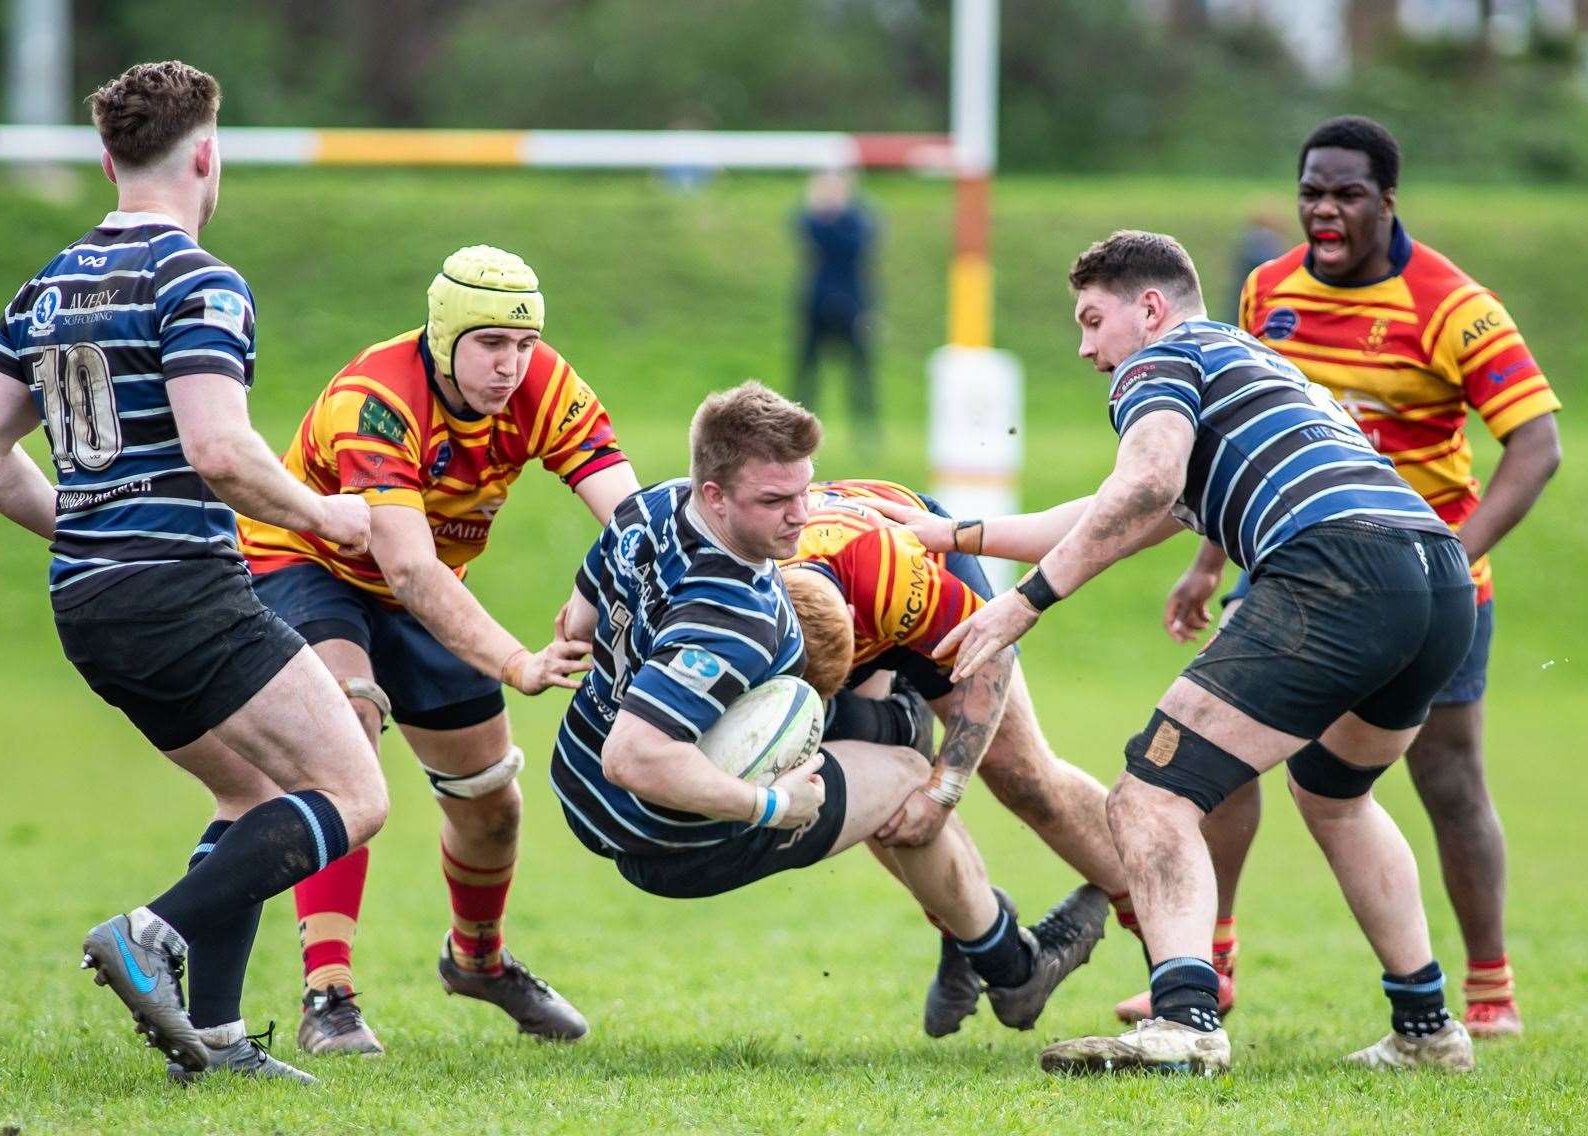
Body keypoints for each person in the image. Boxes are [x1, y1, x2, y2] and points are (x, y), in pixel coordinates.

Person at [906, 230, 1480, 1074]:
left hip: (1338, 571)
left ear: (1149, 307)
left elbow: (1145, 483)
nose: (1086, 347)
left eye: (1093, 320)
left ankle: (1183, 1023)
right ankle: (1429, 1030)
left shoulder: (1160, 361)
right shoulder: (1249, 364)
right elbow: (1124, 511)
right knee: (1335, 795)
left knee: (1150, 797)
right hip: (1435, 577)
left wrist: (1024, 606)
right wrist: (950, 532)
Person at [0, 60, 388, 1084]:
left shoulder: (47, 285)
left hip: (90, 600)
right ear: (206, 153)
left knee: (253, 788)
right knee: (353, 791)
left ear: (108, 159)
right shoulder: (196, 278)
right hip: (183, 589)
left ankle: (219, 1039)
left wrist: (89, 526)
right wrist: (326, 513)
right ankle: (150, 933)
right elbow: (220, 451)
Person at [1143, 116, 1562, 1037]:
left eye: (1346, 194)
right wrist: (1208, 557)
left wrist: (1460, 547)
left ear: (1387, 200)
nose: (1324, 210)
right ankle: (1210, 962)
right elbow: (1234, 425)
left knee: (1448, 781)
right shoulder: (1267, 289)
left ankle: (1489, 992)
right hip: (1292, 567)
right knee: (1218, 755)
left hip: (1423, 581)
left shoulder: (1452, 306)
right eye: (1311, 193)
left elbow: (1537, 444)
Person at [549, 383, 1075, 1032]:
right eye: (773, 501)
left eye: (805, 489)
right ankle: (1013, 967)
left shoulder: (646, 511)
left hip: (576, 787)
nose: (799, 515)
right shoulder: (734, 619)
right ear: (714, 493)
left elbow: (577, 618)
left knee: (857, 732)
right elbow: (635, 756)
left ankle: (973, 944)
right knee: (910, 772)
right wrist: (769, 806)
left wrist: (573, 656)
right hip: (672, 840)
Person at [238, 245, 636, 1053]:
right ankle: (329, 995)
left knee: (491, 802)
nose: (510, 366)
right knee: (346, 736)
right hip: (306, 564)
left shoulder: (543, 385)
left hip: (423, 585)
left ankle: (478, 962)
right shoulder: (379, 399)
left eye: (523, 345)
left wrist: (621, 583)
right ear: (446, 335)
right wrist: (518, 663)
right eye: (492, 344)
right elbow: (410, 568)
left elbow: (630, 516)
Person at [777, 479, 1123, 1037]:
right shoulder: (736, 595)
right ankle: (981, 934)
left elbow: (994, 655)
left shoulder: (886, 572)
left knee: (1020, 775)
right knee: (877, 795)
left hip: (919, 582)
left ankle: (1188, 961)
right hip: (814, 614)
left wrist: (946, 786)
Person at [793, 171, 878, 435]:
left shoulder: (857, 220)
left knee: (860, 372)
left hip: (852, 303)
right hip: (817, 302)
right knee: (807, 371)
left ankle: (865, 428)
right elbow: (805, 231)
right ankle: (796, 430)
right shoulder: (813, 219)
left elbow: (854, 246)